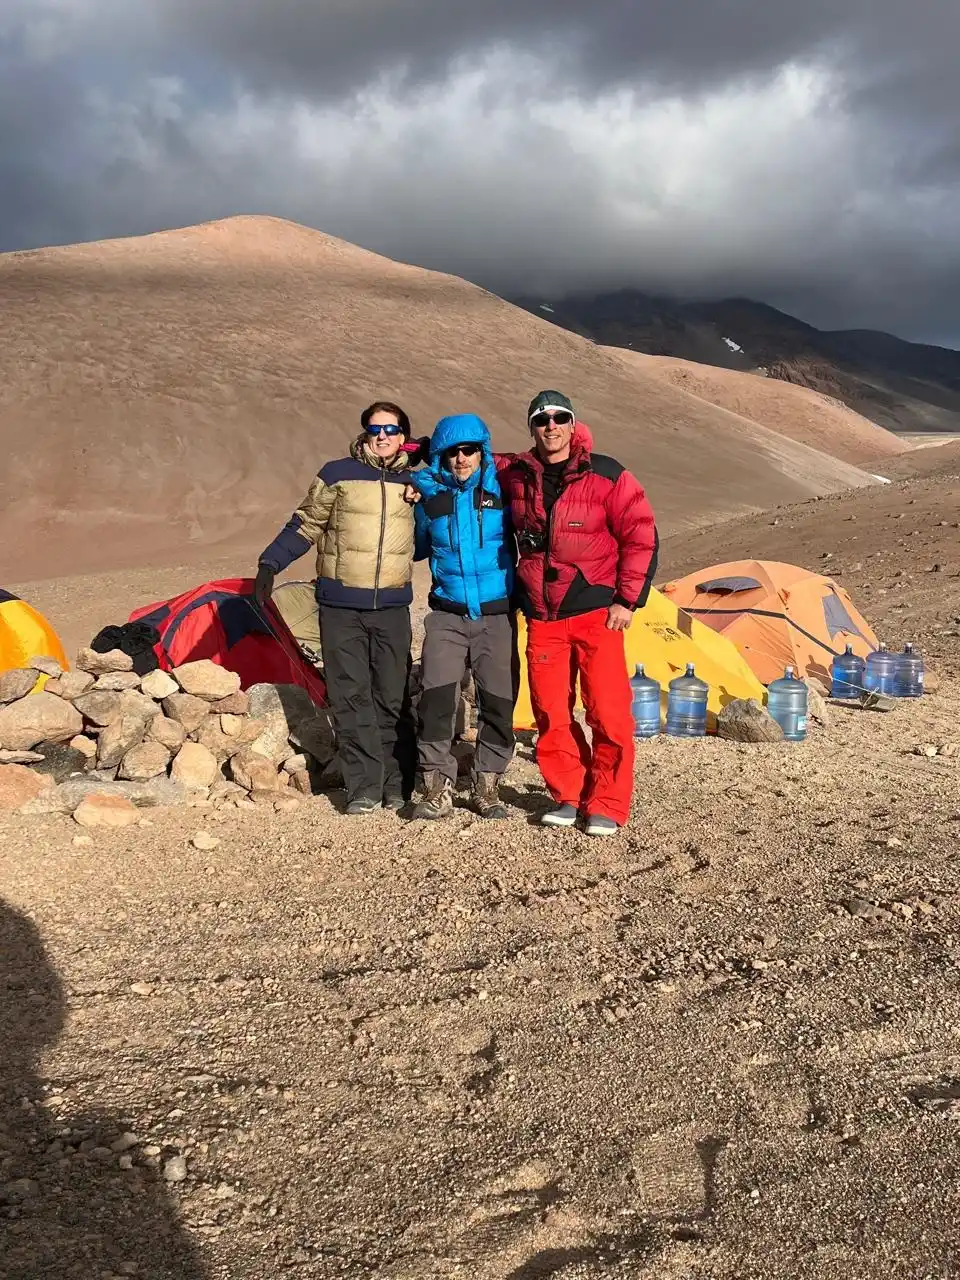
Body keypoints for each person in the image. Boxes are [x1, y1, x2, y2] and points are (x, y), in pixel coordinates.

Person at [496, 390, 659, 836]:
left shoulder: (607, 474)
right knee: (550, 712)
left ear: (573, 424)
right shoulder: (515, 473)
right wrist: (417, 453)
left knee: (608, 712)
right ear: (532, 428)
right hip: (543, 617)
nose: (551, 426)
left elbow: (641, 535)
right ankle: (568, 795)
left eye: (559, 417)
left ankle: (607, 801)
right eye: (541, 419)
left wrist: (627, 600)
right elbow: (467, 456)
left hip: (598, 613)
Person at [254, 401, 419, 815]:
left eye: (391, 429)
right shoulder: (337, 474)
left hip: (392, 607)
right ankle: (364, 787)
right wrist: (270, 563)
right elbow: (306, 523)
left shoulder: (417, 482)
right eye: (374, 428)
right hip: (341, 605)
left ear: (404, 436)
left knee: (392, 695)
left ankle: (396, 784)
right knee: (350, 695)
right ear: (365, 433)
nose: (382, 436)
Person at [407, 413, 517, 821]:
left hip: (496, 615)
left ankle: (487, 784)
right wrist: (415, 491)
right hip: (447, 615)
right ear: (441, 456)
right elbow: (418, 548)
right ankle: (436, 787)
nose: (461, 458)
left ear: (482, 452)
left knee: (499, 701)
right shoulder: (430, 497)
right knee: (436, 699)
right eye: (452, 452)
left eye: (469, 450)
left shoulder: (503, 489)